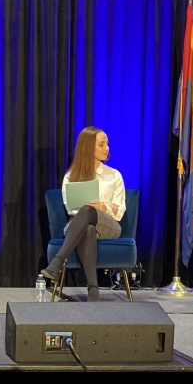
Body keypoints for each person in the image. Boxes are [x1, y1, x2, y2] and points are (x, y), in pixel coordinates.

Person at [41, 126, 126, 302]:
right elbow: (70, 209)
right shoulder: (72, 176)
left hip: (109, 226)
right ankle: (93, 290)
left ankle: (58, 260)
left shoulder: (114, 176)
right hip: (77, 225)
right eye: (101, 145)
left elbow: (120, 211)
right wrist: (92, 209)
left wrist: (103, 208)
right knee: (87, 227)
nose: (107, 148)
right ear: (88, 147)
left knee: (88, 210)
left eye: (107, 144)